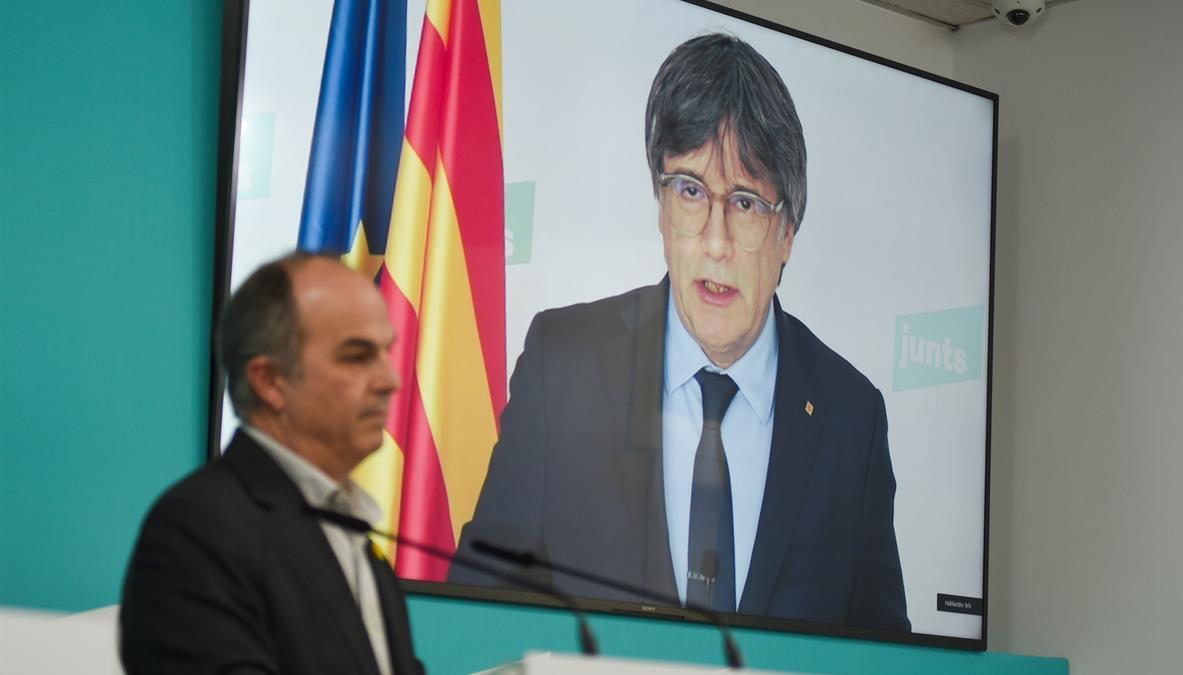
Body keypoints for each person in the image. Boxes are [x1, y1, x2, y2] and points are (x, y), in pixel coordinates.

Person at [450, 33, 910, 632]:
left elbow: (885, 657)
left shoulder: (852, 418)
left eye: (745, 203)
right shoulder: (562, 365)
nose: (715, 243)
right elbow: (474, 615)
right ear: (662, 208)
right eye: (691, 191)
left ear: (788, 232)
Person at [120, 253, 425, 674]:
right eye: (357, 356)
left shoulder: (357, 543)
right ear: (269, 381)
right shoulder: (198, 529)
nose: (389, 380)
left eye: (385, 353)